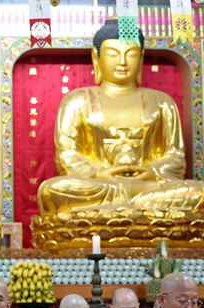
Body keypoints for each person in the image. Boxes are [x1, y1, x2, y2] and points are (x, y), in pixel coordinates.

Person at [32, 18, 204, 249]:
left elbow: (175, 157)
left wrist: (150, 172)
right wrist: (102, 175)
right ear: (97, 57)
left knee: (199, 193)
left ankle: (127, 208)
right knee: (53, 190)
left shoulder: (162, 103)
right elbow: (68, 157)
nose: (122, 61)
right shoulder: (77, 101)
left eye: (131, 54)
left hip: (150, 187)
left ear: (141, 57)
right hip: (99, 186)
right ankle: (137, 210)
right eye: (112, 53)